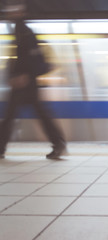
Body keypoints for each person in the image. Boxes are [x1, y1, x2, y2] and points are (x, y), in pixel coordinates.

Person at [0, 2, 66, 159]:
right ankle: (58, 144)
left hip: (25, 82)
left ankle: (58, 143)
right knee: (33, 114)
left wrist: (24, 76)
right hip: (23, 81)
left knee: (23, 115)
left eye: (14, 10)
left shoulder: (25, 31)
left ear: (21, 11)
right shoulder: (18, 29)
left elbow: (29, 57)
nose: (11, 13)